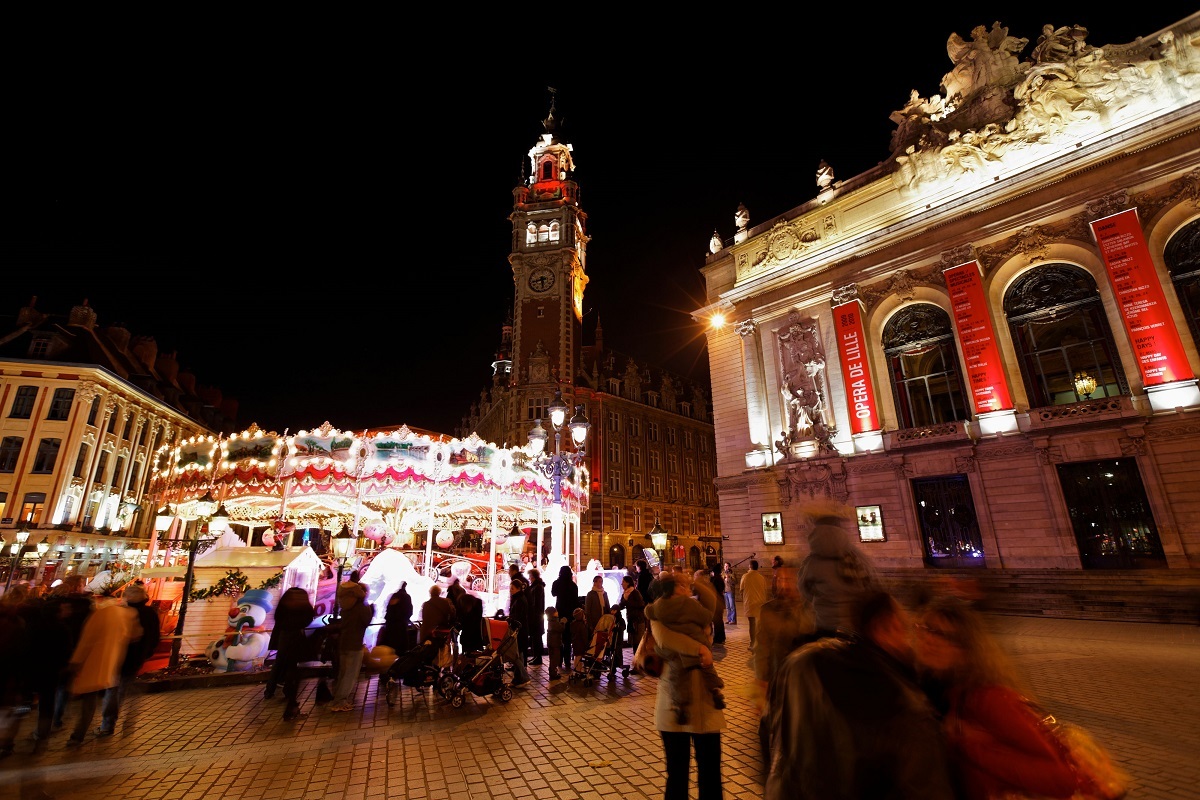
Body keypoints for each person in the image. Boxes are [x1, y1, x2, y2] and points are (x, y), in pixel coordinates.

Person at [764, 590, 956, 800]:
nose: (911, 639)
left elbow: (771, 734)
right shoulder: (906, 705)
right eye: (906, 627)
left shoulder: (801, 663)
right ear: (888, 627)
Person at [914, 594, 1093, 800]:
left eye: (942, 634)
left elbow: (1061, 779)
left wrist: (968, 746)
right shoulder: (938, 688)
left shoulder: (989, 698)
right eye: (925, 628)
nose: (928, 640)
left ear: (965, 649)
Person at [646, 574, 726, 800]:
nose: (684, 588)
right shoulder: (658, 615)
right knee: (677, 774)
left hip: (705, 701)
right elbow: (665, 641)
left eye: (684, 585)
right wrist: (700, 649)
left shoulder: (697, 614)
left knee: (711, 772)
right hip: (674, 703)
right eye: (679, 585)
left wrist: (694, 581)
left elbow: (713, 604)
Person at [752, 567, 816, 775]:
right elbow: (761, 647)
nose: (783, 585)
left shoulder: (813, 608)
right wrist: (761, 680)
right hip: (778, 681)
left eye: (789, 580)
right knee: (768, 731)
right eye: (780, 580)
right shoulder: (769, 609)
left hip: (807, 685)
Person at [646, 574, 726, 724]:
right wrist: (702, 645)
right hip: (699, 651)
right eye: (681, 585)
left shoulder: (659, 608)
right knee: (709, 671)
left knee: (678, 679)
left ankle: (680, 706)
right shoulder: (689, 604)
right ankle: (715, 691)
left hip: (677, 660)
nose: (685, 588)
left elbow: (649, 612)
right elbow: (706, 615)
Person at [66, 593, 140, 746]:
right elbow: (135, 634)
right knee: (112, 694)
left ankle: (77, 735)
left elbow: (86, 641)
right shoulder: (126, 615)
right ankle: (107, 725)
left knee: (89, 700)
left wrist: (76, 661)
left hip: (93, 663)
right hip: (114, 662)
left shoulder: (99, 615)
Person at [798, 502, 878, 639]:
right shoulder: (854, 556)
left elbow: (804, 589)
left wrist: (823, 597)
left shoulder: (811, 561)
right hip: (854, 625)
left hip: (825, 623)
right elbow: (870, 583)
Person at [99, 582, 161, 736]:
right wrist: (147, 652)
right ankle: (123, 718)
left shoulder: (121, 612)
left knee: (112, 689)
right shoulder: (150, 614)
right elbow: (154, 637)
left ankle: (108, 724)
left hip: (117, 654)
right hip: (136, 657)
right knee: (122, 688)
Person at [269, 586, 316, 721]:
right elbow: (309, 618)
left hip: (285, 638)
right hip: (297, 640)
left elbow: (278, 618)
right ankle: (291, 701)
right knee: (294, 671)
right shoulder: (303, 605)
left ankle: (271, 690)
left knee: (281, 664)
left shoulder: (285, 604)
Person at [328, 581, 373, 712]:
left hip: (343, 642)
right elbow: (366, 621)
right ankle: (340, 702)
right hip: (355, 643)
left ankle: (337, 698)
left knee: (343, 673)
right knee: (350, 675)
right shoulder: (361, 607)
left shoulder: (346, 605)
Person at [551, 565, 579, 672]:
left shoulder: (557, 583)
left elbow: (553, 593)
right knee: (568, 638)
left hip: (560, 612)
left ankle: (559, 661)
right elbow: (576, 600)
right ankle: (567, 661)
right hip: (570, 613)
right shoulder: (573, 585)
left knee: (559, 637)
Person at [505, 580, 531, 688]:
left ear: (518, 589)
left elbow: (518, 616)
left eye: (513, 589)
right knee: (518, 654)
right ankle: (517, 679)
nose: (511, 591)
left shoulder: (520, 600)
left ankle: (524, 678)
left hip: (519, 631)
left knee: (516, 655)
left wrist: (510, 620)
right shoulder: (519, 599)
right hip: (519, 630)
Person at [739, 559, 770, 651]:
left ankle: (752, 643)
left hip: (750, 603)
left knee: (752, 625)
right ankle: (759, 643)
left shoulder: (745, 576)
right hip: (760, 603)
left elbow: (741, 590)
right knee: (759, 625)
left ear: (750, 566)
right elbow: (765, 590)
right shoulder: (761, 577)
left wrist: (744, 599)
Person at [380, 581, 414, 653]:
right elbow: (409, 612)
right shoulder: (407, 597)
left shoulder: (393, 596)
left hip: (390, 625)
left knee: (389, 646)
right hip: (400, 626)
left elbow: (388, 609)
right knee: (400, 648)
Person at [616, 574, 646, 654]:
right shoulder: (625, 594)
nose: (621, 584)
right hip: (631, 620)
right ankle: (635, 659)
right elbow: (622, 605)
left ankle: (639, 660)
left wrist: (627, 602)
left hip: (638, 621)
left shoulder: (635, 592)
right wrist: (615, 609)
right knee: (633, 642)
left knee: (638, 642)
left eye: (623, 582)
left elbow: (641, 604)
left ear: (628, 583)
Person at [526, 568, 547, 665]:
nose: (529, 578)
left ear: (533, 577)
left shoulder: (537, 587)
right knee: (536, 637)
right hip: (537, 616)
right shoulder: (537, 586)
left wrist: (532, 613)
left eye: (530, 576)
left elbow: (535, 603)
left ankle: (537, 657)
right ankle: (536, 657)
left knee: (536, 637)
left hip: (536, 617)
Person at [707, 566, 726, 645]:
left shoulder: (714, 579)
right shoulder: (720, 579)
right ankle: (721, 637)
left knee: (716, 620)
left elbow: (711, 589)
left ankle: (718, 638)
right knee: (719, 620)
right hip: (720, 600)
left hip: (715, 601)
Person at [544, 606, 565, 680]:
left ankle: (552, 672)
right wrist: (563, 623)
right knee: (555, 659)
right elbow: (560, 629)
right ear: (553, 614)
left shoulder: (551, 621)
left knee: (552, 658)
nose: (557, 612)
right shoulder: (554, 622)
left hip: (551, 643)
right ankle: (553, 673)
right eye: (556, 611)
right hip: (555, 643)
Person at [584, 574, 606, 641]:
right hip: (594, 620)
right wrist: (589, 623)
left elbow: (607, 605)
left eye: (601, 581)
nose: (601, 583)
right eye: (599, 581)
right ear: (595, 583)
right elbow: (588, 609)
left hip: (603, 619)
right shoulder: (590, 594)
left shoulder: (604, 593)